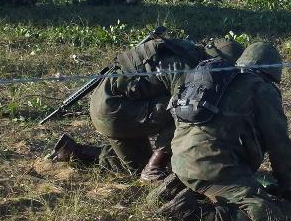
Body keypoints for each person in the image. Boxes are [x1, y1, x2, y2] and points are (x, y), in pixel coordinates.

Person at [47, 37, 244, 182]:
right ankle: (154, 169)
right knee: (186, 109)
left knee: (136, 167)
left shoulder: (183, 50)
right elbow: (184, 114)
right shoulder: (187, 68)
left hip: (106, 107)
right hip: (116, 110)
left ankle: (74, 151)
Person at [161, 42, 291, 221]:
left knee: (213, 181)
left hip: (180, 161)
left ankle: (176, 187)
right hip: (213, 169)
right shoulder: (261, 89)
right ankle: (190, 212)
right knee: (266, 212)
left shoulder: (219, 81)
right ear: (273, 71)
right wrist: (286, 181)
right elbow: (278, 141)